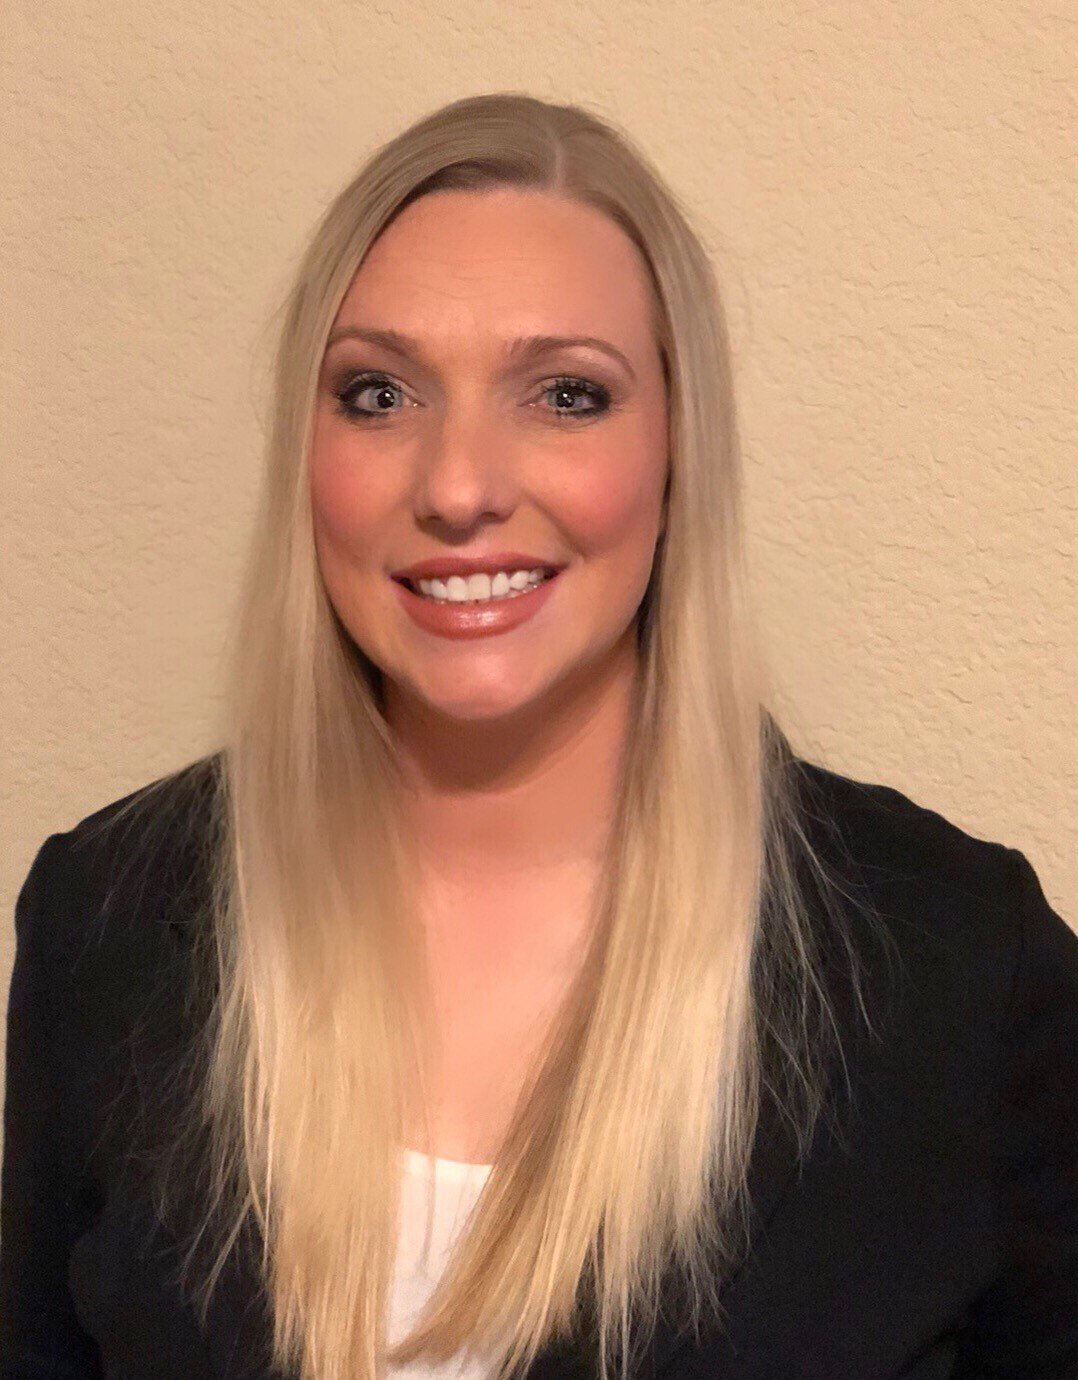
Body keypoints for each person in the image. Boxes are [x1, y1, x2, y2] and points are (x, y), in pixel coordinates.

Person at [1, 91, 1075, 1380]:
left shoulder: (961, 967)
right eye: (378, 392)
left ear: (678, 450)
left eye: (567, 394)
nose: (459, 485)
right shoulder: (105, 921)